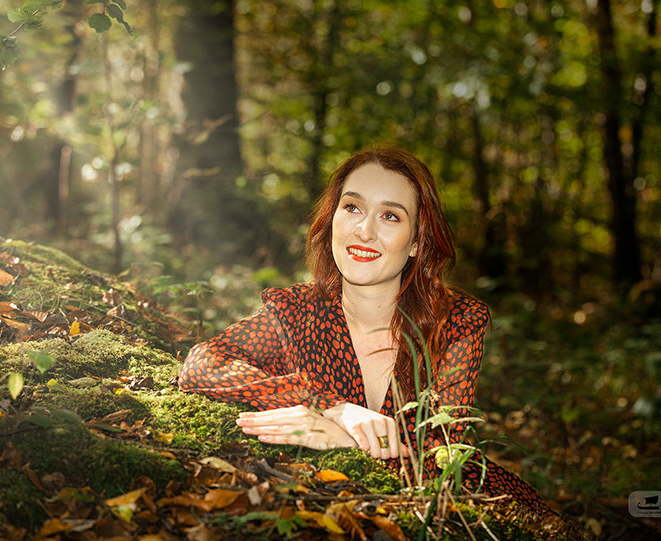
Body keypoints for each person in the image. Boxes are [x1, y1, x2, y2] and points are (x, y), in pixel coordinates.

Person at [178, 145, 555, 518]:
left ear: (417, 242)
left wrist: (345, 443)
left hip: (472, 505)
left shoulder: (456, 323)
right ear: (333, 219)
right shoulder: (295, 312)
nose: (364, 230)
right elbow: (202, 364)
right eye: (352, 207)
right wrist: (333, 409)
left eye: (390, 216)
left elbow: (436, 459)